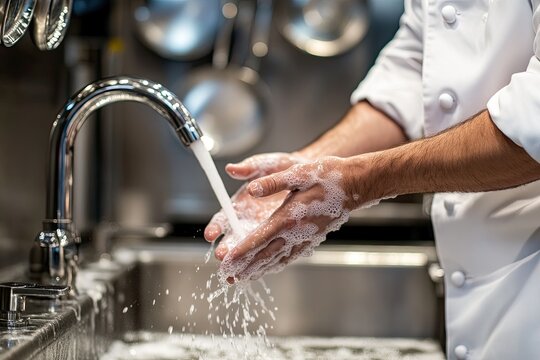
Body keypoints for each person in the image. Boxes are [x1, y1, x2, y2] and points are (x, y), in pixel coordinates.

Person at [205, 1, 540, 359]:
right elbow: (412, 71)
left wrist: (359, 183)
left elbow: (532, 123)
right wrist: (306, 167)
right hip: (482, 284)